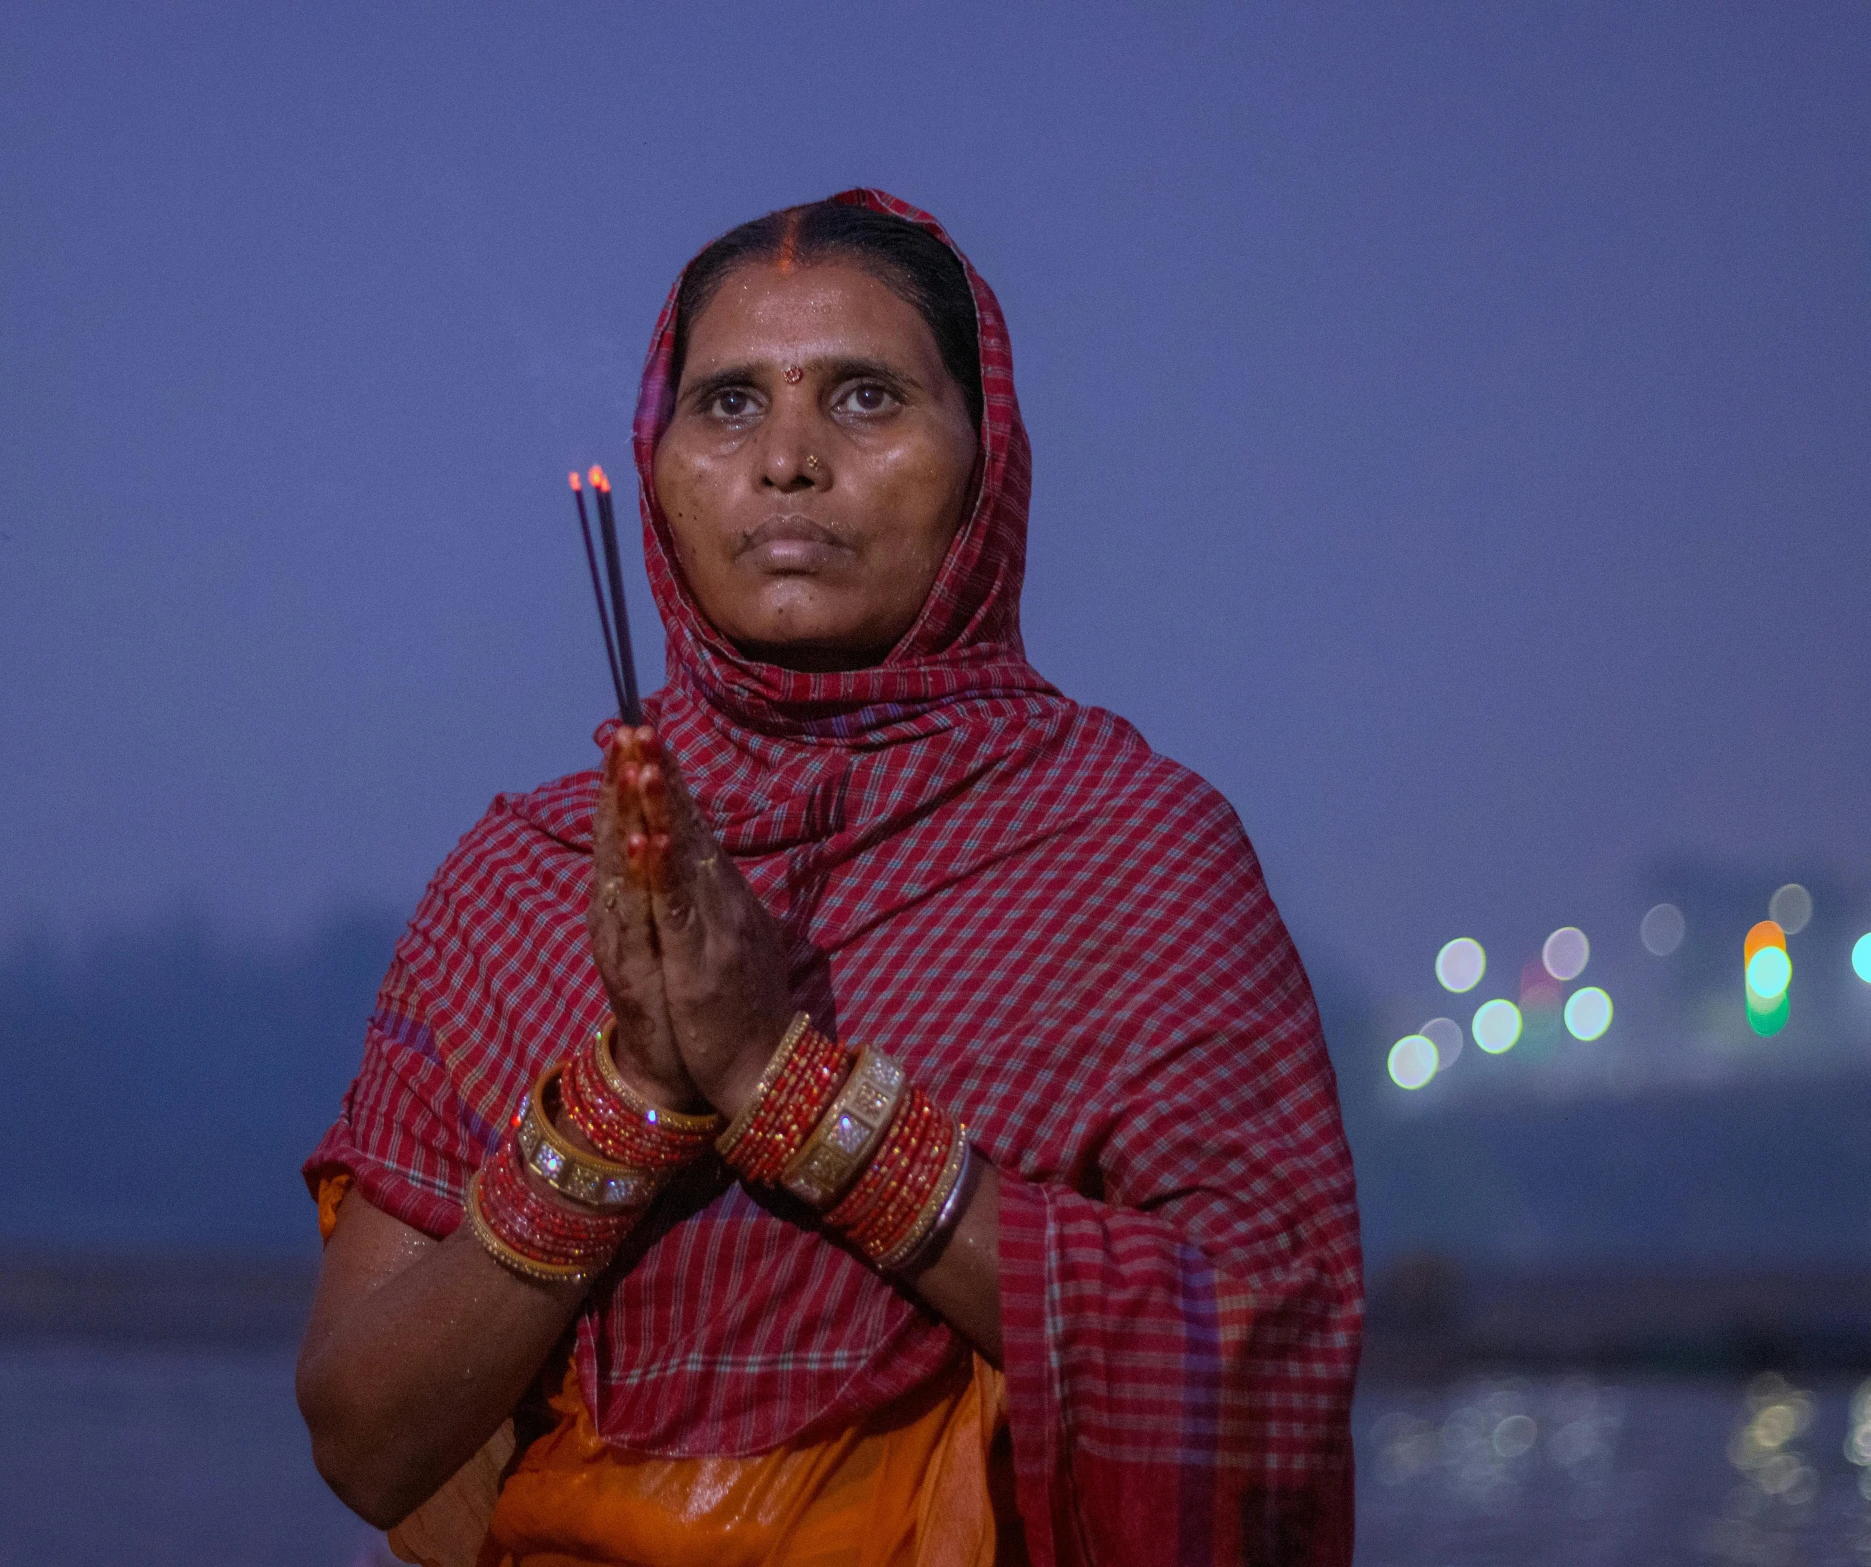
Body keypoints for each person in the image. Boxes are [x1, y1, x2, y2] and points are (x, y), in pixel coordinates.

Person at [297, 189, 1361, 1567]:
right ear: (657, 457)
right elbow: (362, 1438)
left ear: (987, 463)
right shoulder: (526, 877)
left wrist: (782, 1086)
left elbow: (1258, 1377)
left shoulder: (1126, 849)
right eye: (729, 404)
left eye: (863, 398)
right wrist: (632, 1095)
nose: (788, 460)